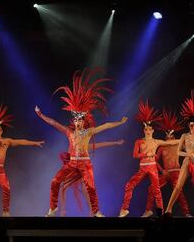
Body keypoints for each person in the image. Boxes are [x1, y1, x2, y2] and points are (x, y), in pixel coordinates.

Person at [36, 68, 128, 217]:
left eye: (80, 120)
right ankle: (53, 209)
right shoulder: (69, 132)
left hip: (85, 163)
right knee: (55, 181)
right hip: (72, 163)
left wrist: (119, 122)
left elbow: (105, 126)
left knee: (91, 187)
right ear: (74, 121)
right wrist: (40, 115)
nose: (78, 123)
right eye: (76, 120)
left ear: (83, 121)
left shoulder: (88, 132)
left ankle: (96, 211)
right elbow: (54, 123)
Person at [0, 100, 44, 217]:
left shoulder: (7, 141)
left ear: (2, 131)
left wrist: (34, 143)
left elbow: (20, 141)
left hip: (0, 169)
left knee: (7, 188)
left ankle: (5, 211)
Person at [119, 100, 180, 218]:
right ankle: (124, 209)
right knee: (129, 185)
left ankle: (160, 213)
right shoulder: (139, 141)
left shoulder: (156, 142)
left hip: (152, 167)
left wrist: (186, 138)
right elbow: (135, 155)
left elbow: (172, 142)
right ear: (144, 130)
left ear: (152, 131)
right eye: (146, 129)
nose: (147, 131)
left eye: (149, 129)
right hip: (142, 168)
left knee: (156, 190)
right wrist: (145, 155)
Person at [58, 139, 124, 216]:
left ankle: (92, 211)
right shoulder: (71, 147)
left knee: (84, 188)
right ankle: (63, 211)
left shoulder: (85, 146)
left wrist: (115, 142)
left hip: (80, 170)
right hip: (72, 170)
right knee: (63, 188)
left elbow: (101, 144)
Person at [146, 109, 191, 217]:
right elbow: (154, 160)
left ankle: (187, 213)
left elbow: (190, 149)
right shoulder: (162, 147)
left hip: (176, 172)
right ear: (165, 138)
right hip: (166, 173)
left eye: (171, 138)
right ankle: (149, 211)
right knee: (152, 188)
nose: (169, 139)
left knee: (179, 192)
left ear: (174, 137)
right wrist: (162, 170)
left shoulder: (178, 145)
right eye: (167, 138)